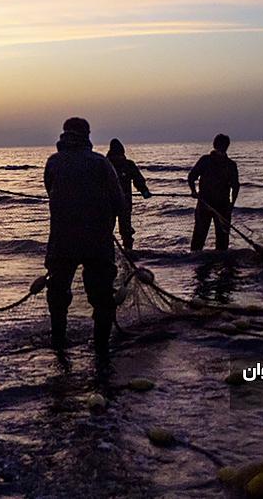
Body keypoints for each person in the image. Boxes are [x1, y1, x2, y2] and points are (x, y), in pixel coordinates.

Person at [44, 118, 125, 358]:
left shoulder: (53, 163)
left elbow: (51, 191)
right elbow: (119, 202)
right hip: (97, 242)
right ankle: (101, 347)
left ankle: (59, 343)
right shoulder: (100, 163)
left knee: (58, 294)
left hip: (61, 242)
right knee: (102, 299)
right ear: (87, 135)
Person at [187, 134, 240, 251]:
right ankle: (196, 262)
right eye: (221, 145)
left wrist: (231, 205)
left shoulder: (231, 165)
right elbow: (191, 177)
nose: (222, 148)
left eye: (224, 146)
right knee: (199, 238)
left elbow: (235, 186)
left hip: (223, 206)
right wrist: (193, 191)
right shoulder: (205, 160)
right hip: (204, 204)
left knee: (222, 241)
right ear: (215, 145)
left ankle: (221, 262)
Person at [106, 138, 152, 254]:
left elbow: (138, 180)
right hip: (119, 204)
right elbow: (139, 180)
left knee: (107, 231)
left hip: (112, 204)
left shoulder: (106, 163)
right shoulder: (125, 164)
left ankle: (110, 253)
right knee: (124, 231)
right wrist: (145, 192)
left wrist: (144, 191)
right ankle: (127, 252)